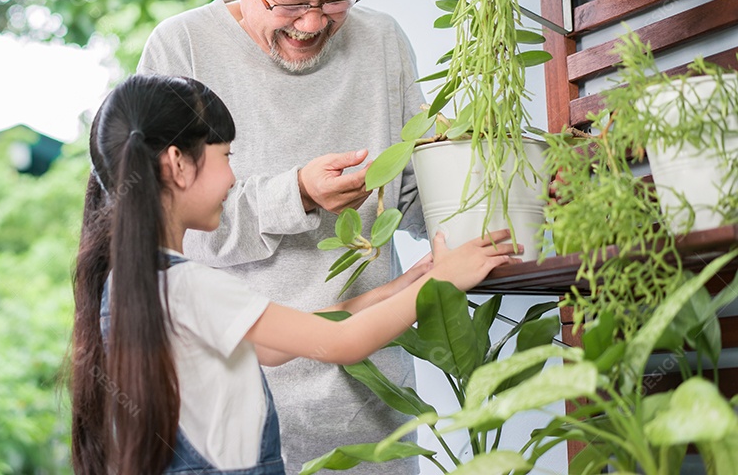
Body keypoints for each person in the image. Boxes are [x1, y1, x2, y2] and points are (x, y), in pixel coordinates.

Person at [70, 74, 518, 475]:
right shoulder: (191, 284)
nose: (231, 177)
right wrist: (445, 281)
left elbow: (272, 346)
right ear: (178, 164)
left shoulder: (134, 285)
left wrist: (405, 287)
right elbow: (344, 343)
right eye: (226, 155)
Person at [136, 0, 432, 472]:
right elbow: (171, 226)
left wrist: (507, 187)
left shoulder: (383, 44)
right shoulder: (180, 52)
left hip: (377, 411)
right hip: (235, 417)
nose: (313, 23)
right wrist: (296, 193)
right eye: (291, 1)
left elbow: (418, 196)